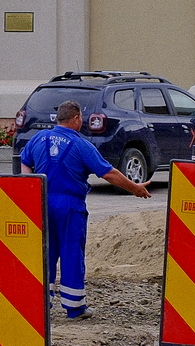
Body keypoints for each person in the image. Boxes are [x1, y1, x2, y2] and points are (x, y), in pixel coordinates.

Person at [21, 99, 152, 319]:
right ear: (75, 118)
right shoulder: (81, 145)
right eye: (81, 117)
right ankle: (75, 308)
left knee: (45, 252)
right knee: (72, 253)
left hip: (41, 202)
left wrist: (31, 187)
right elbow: (109, 173)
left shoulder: (39, 138)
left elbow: (24, 162)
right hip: (70, 206)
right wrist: (135, 188)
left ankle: (41, 303)